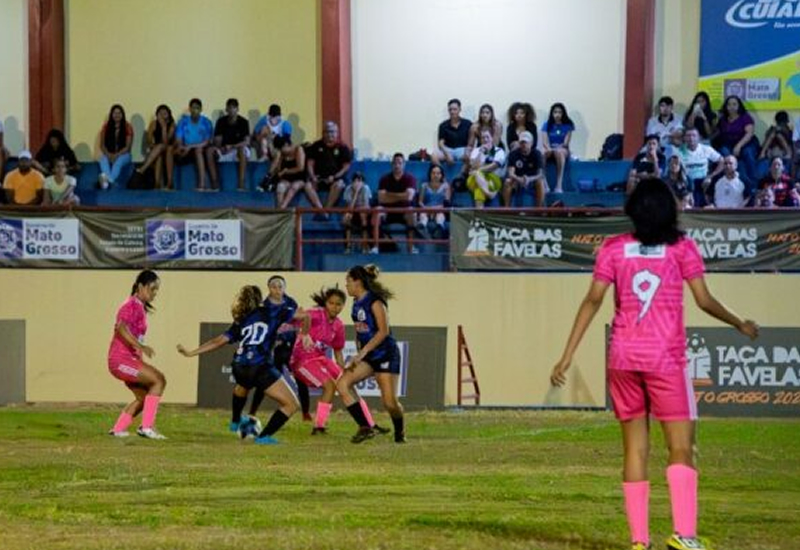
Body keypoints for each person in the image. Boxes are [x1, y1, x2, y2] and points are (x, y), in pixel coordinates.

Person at [550, 178, 759, 550]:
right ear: (669, 210)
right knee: (681, 447)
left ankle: (639, 541)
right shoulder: (682, 249)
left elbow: (592, 300)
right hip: (665, 360)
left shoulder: (614, 248)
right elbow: (704, 300)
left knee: (635, 451)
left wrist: (567, 354)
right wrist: (739, 322)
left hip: (623, 359)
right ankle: (683, 535)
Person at [177, 285, 299, 445]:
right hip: (260, 366)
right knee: (291, 404)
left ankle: (235, 421)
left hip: (239, 366)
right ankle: (263, 437)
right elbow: (293, 310)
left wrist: (191, 352)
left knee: (243, 385)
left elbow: (218, 341)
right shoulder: (270, 312)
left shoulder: (241, 320)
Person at [291, 286, 388, 436]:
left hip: (321, 359)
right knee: (329, 386)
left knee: (349, 384)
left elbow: (337, 351)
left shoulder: (338, 325)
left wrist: (344, 370)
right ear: (325, 303)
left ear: (343, 305)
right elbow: (295, 318)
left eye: (339, 304)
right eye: (331, 303)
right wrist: (299, 322)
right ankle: (319, 426)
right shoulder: (315, 314)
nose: (335, 307)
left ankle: (369, 424)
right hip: (302, 361)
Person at [336, 265, 406, 444]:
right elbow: (362, 331)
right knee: (343, 384)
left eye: (348, 282)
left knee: (390, 403)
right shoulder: (356, 302)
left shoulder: (375, 301)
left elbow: (383, 331)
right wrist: (360, 353)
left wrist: (361, 354)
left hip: (385, 354)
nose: (346, 286)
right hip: (368, 356)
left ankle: (400, 432)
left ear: (358, 282)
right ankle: (365, 427)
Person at [107, 270, 168, 440]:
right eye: (152, 289)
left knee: (143, 397)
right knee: (159, 380)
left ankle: (118, 429)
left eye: (156, 290)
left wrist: (139, 354)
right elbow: (121, 328)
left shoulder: (140, 308)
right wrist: (141, 346)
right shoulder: (130, 305)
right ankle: (146, 427)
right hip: (120, 360)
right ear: (140, 286)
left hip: (130, 359)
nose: (154, 293)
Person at [373, 153, 418, 254]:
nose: (397, 165)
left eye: (400, 163)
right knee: (377, 211)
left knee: (412, 212)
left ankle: (411, 247)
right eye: (395, 163)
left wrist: (389, 195)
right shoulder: (384, 179)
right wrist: (402, 196)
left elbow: (409, 197)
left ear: (404, 164)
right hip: (388, 212)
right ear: (391, 164)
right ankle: (376, 247)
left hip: (404, 212)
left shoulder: (410, 178)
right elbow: (381, 199)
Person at [206, 98, 251, 191]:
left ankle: (241, 183)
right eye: (229, 108)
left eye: (234, 108)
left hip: (237, 150)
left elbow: (247, 141)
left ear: (237, 109)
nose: (231, 110)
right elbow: (217, 140)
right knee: (209, 151)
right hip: (224, 149)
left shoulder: (244, 122)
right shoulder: (221, 121)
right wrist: (220, 147)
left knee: (242, 149)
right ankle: (215, 183)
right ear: (226, 109)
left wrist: (233, 146)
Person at [306, 121, 352, 210]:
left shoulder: (342, 147)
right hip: (318, 179)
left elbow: (346, 166)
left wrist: (335, 177)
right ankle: (320, 209)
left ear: (337, 133)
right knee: (307, 185)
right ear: (323, 133)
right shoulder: (316, 146)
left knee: (339, 185)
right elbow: (310, 164)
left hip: (335, 179)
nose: (329, 134)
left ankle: (327, 209)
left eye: (332, 131)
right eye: (327, 131)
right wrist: (313, 177)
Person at [715, 96, 758, 186]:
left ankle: (753, 181)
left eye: (734, 104)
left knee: (748, 152)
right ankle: (728, 178)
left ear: (739, 106)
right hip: (729, 143)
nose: (732, 106)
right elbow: (718, 133)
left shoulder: (745, 117)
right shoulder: (723, 119)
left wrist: (738, 146)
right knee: (723, 152)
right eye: (729, 104)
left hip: (746, 142)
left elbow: (749, 133)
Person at [271, 136, 324, 210]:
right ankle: (279, 208)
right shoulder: (282, 154)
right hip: (287, 179)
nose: (282, 151)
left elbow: (300, 168)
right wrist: (277, 161)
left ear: (286, 145)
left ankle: (283, 207)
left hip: (300, 178)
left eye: (282, 149)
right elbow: (278, 170)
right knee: (280, 186)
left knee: (294, 186)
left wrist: (286, 171)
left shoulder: (299, 149)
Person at [677, 128, 723, 208]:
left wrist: (711, 176)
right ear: (684, 138)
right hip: (687, 182)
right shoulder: (679, 151)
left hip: (704, 182)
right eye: (688, 136)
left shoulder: (706, 149)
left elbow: (722, 161)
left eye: (694, 135)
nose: (691, 138)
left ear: (699, 137)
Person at [175, 98, 214, 190]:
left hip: (202, 150)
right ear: (189, 109)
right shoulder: (183, 122)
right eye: (192, 108)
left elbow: (207, 142)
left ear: (201, 109)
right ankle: (168, 185)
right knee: (171, 151)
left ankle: (202, 185)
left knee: (198, 150)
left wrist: (190, 146)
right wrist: (181, 147)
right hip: (186, 150)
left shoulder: (206, 122)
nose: (194, 110)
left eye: (197, 108)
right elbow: (178, 139)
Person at [137, 104, 176, 190]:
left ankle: (143, 169)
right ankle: (157, 184)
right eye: (160, 113)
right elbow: (149, 140)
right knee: (159, 154)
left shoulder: (172, 124)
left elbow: (166, 142)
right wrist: (154, 146)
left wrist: (163, 127)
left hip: (170, 150)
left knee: (165, 148)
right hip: (157, 150)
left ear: (169, 114)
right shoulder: (154, 123)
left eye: (165, 113)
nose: (163, 115)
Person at [502, 131, 545, 207]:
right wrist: (519, 179)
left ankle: (539, 209)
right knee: (507, 182)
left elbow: (540, 174)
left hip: (532, 180)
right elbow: (511, 173)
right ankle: (507, 208)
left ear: (531, 143)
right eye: (522, 142)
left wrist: (529, 179)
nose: (524, 145)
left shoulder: (537, 154)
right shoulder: (513, 154)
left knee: (540, 182)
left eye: (526, 142)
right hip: (517, 179)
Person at [466, 129, 506, 208]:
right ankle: (490, 194)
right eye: (483, 138)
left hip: (493, 178)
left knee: (478, 189)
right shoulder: (476, 151)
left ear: (492, 138)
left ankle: (480, 218)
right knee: (477, 179)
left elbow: (494, 166)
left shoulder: (499, 151)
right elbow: (473, 165)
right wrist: (481, 152)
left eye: (487, 137)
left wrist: (477, 170)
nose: (485, 140)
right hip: (475, 179)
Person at [541, 102, 575, 193]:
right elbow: (545, 142)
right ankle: (545, 184)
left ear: (563, 114)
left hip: (562, 149)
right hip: (550, 148)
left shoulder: (568, 125)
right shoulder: (546, 125)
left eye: (560, 112)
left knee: (559, 152)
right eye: (555, 112)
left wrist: (557, 148)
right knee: (542, 153)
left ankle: (559, 185)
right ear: (552, 114)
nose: (557, 115)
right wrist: (549, 149)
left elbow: (566, 143)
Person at [98, 104, 134, 189]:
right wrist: (108, 154)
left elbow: (127, 147)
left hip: (124, 154)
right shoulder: (106, 127)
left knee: (119, 161)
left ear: (122, 114)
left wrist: (116, 155)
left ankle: (109, 181)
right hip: (109, 153)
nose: (117, 115)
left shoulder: (127, 127)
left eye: (119, 113)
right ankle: (109, 181)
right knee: (103, 159)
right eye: (115, 113)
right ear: (111, 114)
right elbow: (102, 145)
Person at [432, 98, 472, 167]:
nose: (452, 112)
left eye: (455, 109)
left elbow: (471, 142)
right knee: (434, 156)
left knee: (471, 156)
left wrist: (467, 151)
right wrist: (447, 154)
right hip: (448, 149)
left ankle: (462, 176)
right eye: (450, 109)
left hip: (462, 150)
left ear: (460, 110)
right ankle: (442, 174)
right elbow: (441, 143)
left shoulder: (468, 123)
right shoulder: (443, 125)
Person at [342, 171, 372, 254]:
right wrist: (356, 193)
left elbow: (366, 206)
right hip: (352, 212)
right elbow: (349, 208)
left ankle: (365, 246)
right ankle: (348, 247)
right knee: (347, 217)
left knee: (363, 214)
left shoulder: (366, 188)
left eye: (359, 181)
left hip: (363, 212)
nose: (357, 183)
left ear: (363, 182)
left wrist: (357, 209)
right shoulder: (348, 189)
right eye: (355, 181)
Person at [418, 164, 451, 237]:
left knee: (440, 216)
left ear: (441, 175)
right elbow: (420, 202)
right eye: (433, 173)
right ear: (430, 174)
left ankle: (439, 228)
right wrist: (426, 208)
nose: (435, 175)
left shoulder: (446, 186)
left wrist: (434, 209)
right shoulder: (424, 185)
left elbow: (446, 203)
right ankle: (422, 228)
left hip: (440, 210)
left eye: (438, 173)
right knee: (423, 216)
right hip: (426, 209)